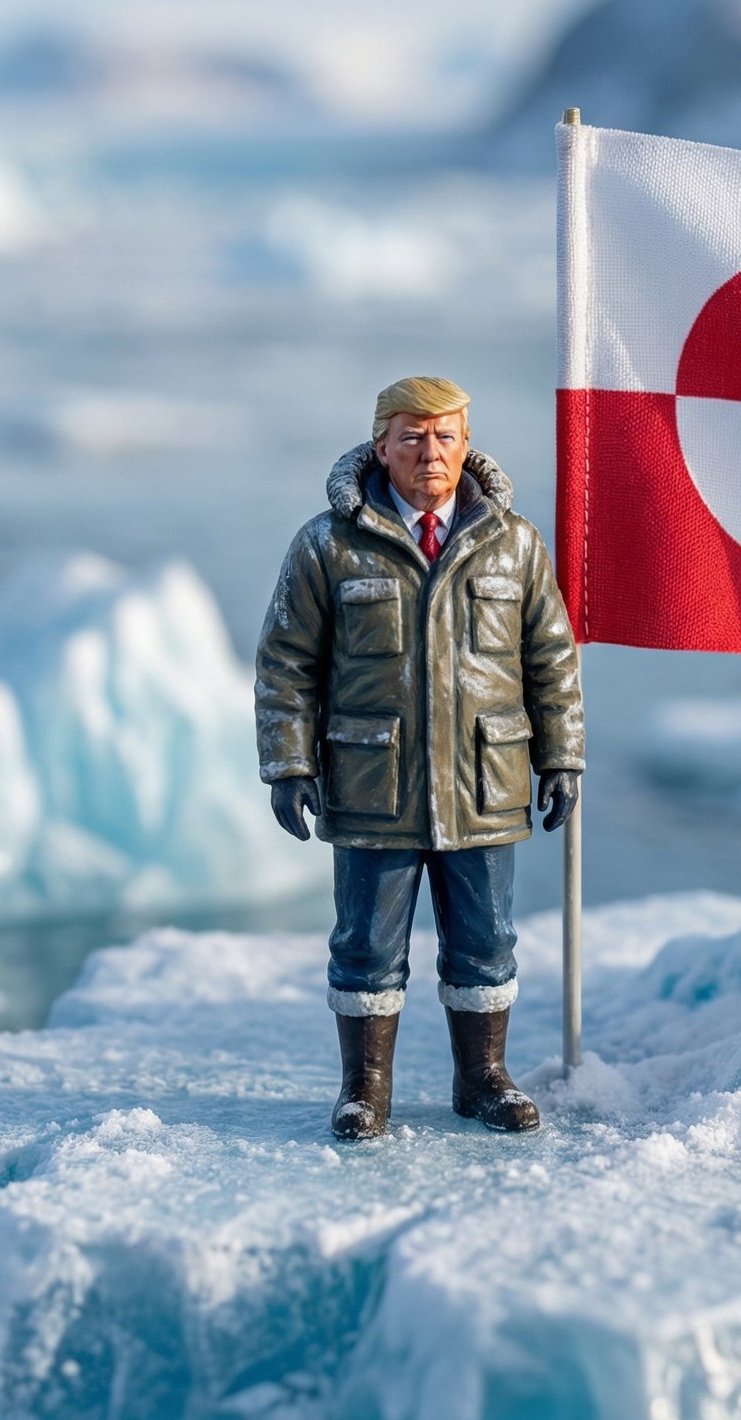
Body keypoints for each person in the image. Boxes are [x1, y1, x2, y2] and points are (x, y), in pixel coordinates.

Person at [255, 376, 583, 1139]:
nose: (428, 452)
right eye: (410, 436)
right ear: (381, 447)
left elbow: (552, 659)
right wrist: (288, 764)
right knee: (366, 946)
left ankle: (484, 1078)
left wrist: (562, 756)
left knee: (486, 939)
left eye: (444, 436)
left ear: (466, 445)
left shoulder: (516, 542)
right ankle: (364, 1087)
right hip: (374, 782)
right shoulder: (327, 544)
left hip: (485, 780)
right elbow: (286, 664)